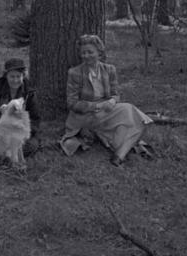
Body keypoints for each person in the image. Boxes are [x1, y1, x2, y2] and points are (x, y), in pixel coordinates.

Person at [60, 34, 153, 166]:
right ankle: (121, 150)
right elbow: (72, 103)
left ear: (99, 52)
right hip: (86, 116)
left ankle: (119, 155)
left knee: (133, 114)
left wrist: (112, 101)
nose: (86, 56)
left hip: (107, 112)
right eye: (83, 53)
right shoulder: (74, 73)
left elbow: (115, 94)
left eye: (90, 52)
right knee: (130, 115)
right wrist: (97, 106)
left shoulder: (109, 70)